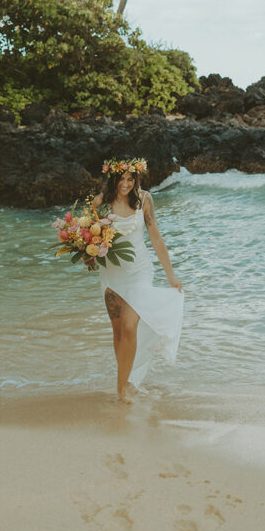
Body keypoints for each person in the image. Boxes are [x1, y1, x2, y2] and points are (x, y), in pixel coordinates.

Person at [92, 157, 184, 403]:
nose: (126, 184)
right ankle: (126, 382)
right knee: (119, 330)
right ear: (113, 179)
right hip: (112, 273)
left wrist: (171, 275)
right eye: (121, 179)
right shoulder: (100, 203)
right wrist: (87, 253)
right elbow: (89, 239)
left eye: (130, 179)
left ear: (136, 179)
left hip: (140, 271)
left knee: (131, 327)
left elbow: (156, 238)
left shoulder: (144, 200)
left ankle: (122, 389)